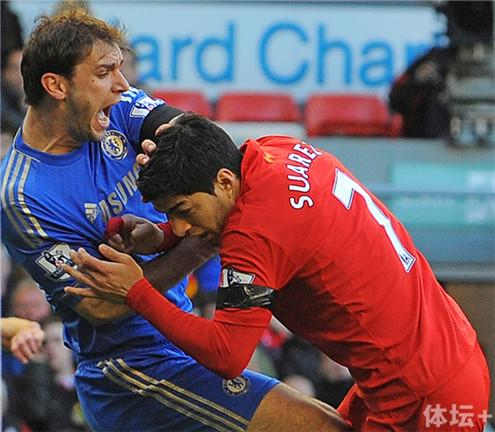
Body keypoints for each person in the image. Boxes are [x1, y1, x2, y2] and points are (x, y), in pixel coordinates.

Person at [0, 10, 347, 432]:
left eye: (120, 69)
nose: (122, 84)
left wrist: (167, 219)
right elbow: (100, 305)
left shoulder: (117, 110)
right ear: (56, 85)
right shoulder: (22, 195)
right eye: (104, 72)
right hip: (130, 372)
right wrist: (195, 247)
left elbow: (199, 143)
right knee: (323, 427)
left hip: (179, 337)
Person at [64, 113, 491, 431]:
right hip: (439, 359)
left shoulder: (255, 235)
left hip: (424, 397)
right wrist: (162, 237)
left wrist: (137, 291)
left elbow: (227, 355)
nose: (181, 226)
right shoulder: (274, 150)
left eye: (183, 211)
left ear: (225, 182)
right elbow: (263, 224)